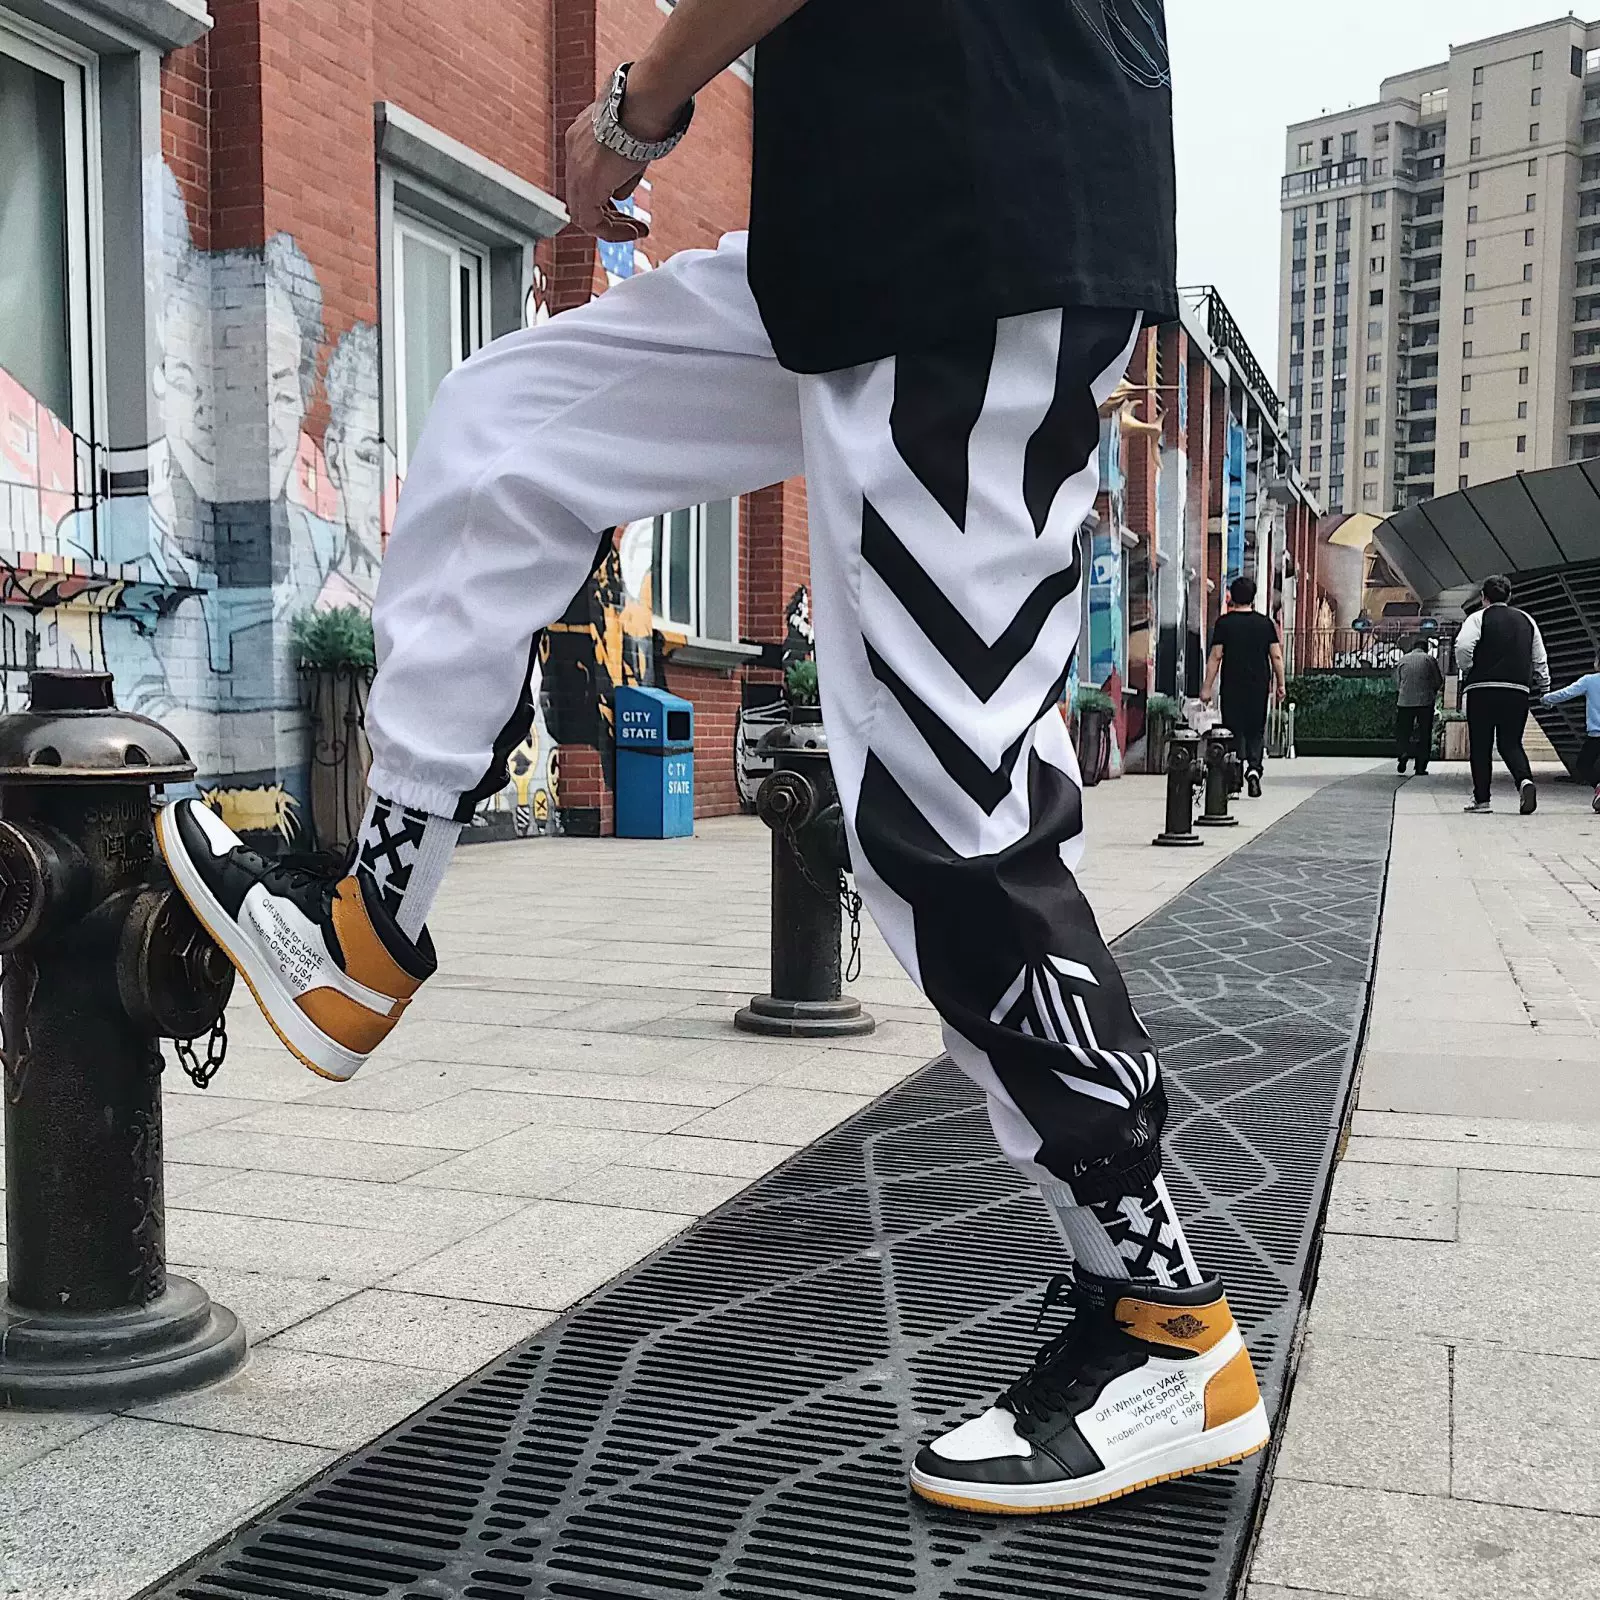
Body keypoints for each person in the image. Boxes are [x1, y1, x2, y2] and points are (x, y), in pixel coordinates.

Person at [155, 0, 1269, 1515]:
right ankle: (366, 926)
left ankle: (1164, 1324)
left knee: (945, 810)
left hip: (982, 235)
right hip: (860, 229)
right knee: (505, 429)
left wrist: (640, 104)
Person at [1455, 574, 1549, 815]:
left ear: (1483, 597)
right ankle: (1524, 781)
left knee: (1481, 745)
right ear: (1509, 596)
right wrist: (1544, 685)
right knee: (1510, 742)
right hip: (1517, 690)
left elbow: (1463, 646)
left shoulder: (1478, 618)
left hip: (1482, 690)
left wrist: (1469, 668)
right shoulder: (1527, 620)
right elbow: (1539, 657)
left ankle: (1482, 800)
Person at [1201, 575, 1284, 797]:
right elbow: (1276, 656)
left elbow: (1215, 657)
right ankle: (1254, 769)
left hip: (1232, 686)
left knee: (1233, 730)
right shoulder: (1265, 624)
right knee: (1256, 730)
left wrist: (1206, 688)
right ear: (1253, 597)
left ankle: (1234, 778)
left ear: (1232, 597)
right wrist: (1281, 684)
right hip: (1258, 686)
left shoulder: (1224, 624)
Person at [1541, 652, 1600, 813]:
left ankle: (1598, 786)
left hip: (1596, 735)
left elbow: (1567, 693)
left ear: (1597, 662)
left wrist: (1546, 699)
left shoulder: (1589, 680)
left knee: (1583, 764)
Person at [1394, 636, 1444, 776]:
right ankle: (1420, 766)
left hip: (1404, 701)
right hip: (1425, 702)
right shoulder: (1429, 660)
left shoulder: (1403, 660)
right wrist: (1432, 691)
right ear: (1426, 648)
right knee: (1424, 734)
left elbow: (1397, 682)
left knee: (1403, 731)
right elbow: (1438, 681)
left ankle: (1403, 752)